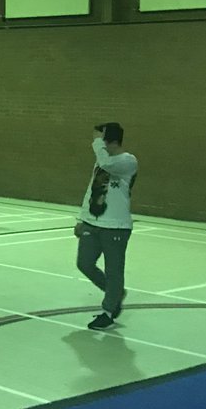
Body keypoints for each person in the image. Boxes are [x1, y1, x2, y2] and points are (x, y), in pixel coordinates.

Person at [76, 122, 138, 331]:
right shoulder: (101, 161)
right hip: (92, 222)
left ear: (110, 141)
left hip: (116, 226)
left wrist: (96, 142)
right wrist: (81, 218)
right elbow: (91, 190)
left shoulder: (128, 161)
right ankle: (116, 293)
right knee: (84, 263)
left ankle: (109, 311)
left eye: (101, 140)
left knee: (114, 271)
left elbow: (107, 164)